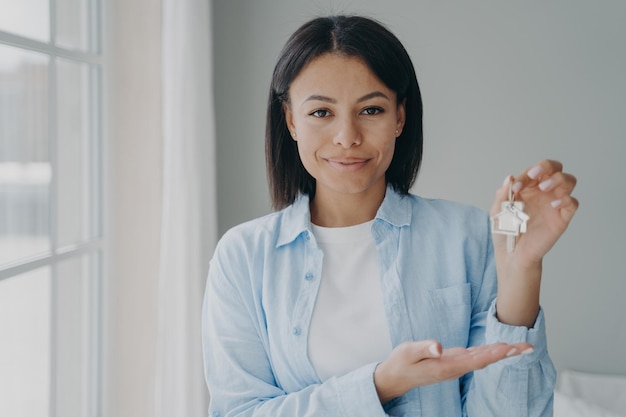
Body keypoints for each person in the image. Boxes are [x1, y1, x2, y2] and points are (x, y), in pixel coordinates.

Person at [202, 15, 578, 417]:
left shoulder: (469, 236)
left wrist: (521, 270)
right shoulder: (243, 256)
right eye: (321, 113)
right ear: (291, 120)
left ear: (399, 117)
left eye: (371, 110)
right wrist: (380, 385)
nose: (347, 136)